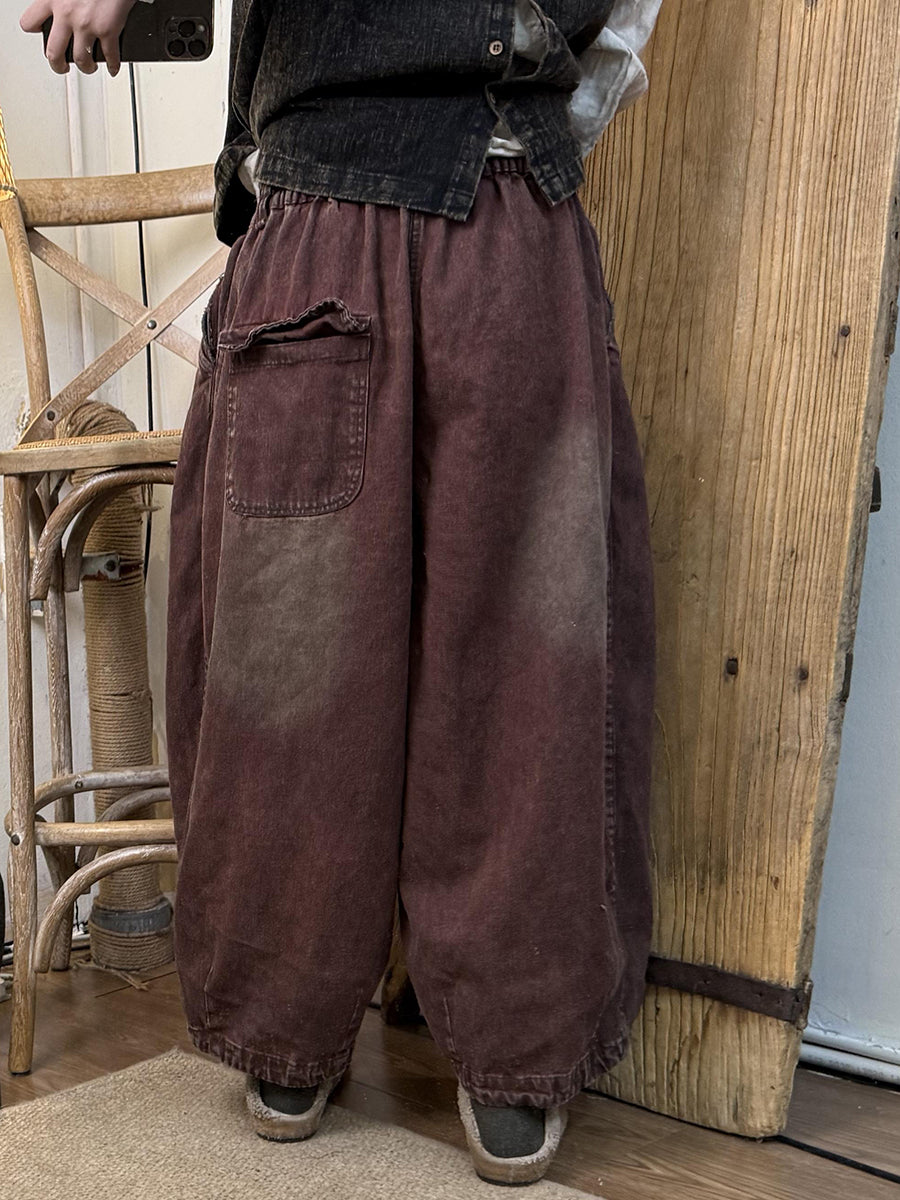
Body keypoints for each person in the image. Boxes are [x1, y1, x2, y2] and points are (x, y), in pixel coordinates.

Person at [20, 0, 661, 1185]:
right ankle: (327, 1023)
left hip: (477, 199)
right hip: (366, 204)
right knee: (315, 654)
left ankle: (488, 1041)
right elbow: (620, 38)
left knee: (515, 654)